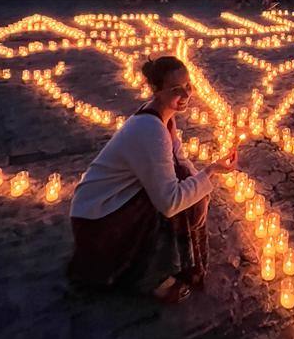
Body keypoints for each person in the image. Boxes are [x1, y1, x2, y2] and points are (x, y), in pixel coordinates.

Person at [68, 56, 237, 300]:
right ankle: (151, 276)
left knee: (188, 183)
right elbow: (169, 203)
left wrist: (203, 178)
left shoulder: (163, 117)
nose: (186, 94)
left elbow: (179, 159)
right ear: (156, 90)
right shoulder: (150, 129)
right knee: (177, 202)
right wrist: (208, 173)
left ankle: (172, 260)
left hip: (106, 204)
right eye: (176, 90)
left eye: (188, 86)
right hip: (97, 220)